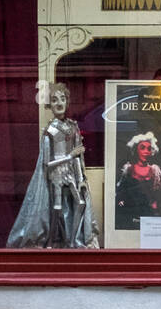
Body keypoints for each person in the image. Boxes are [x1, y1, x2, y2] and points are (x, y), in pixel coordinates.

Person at [7, 83, 100, 249]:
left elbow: (78, 157)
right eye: (55, 100)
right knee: (57, 207)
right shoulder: (49, 131)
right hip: (56, 174)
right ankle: (51, 241)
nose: (59, 103)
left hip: (71, 173)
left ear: (67, 102)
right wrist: (69, 156)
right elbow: (47, 163)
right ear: (50, 104)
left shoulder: (73, 127)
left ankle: (72, 241)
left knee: (80, 203)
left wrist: (81, 178)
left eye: (62, 99)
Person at [115, 131, 161, 230]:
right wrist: (121, 202)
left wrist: (156, 205)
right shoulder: (129, 169)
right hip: (131, 212)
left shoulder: (154, 170)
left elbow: (159, 193)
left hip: (149, 213)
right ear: (136, 150)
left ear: (152, 151)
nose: (146, 151)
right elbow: (121, 191)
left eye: (149, 149)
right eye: (142, 148)